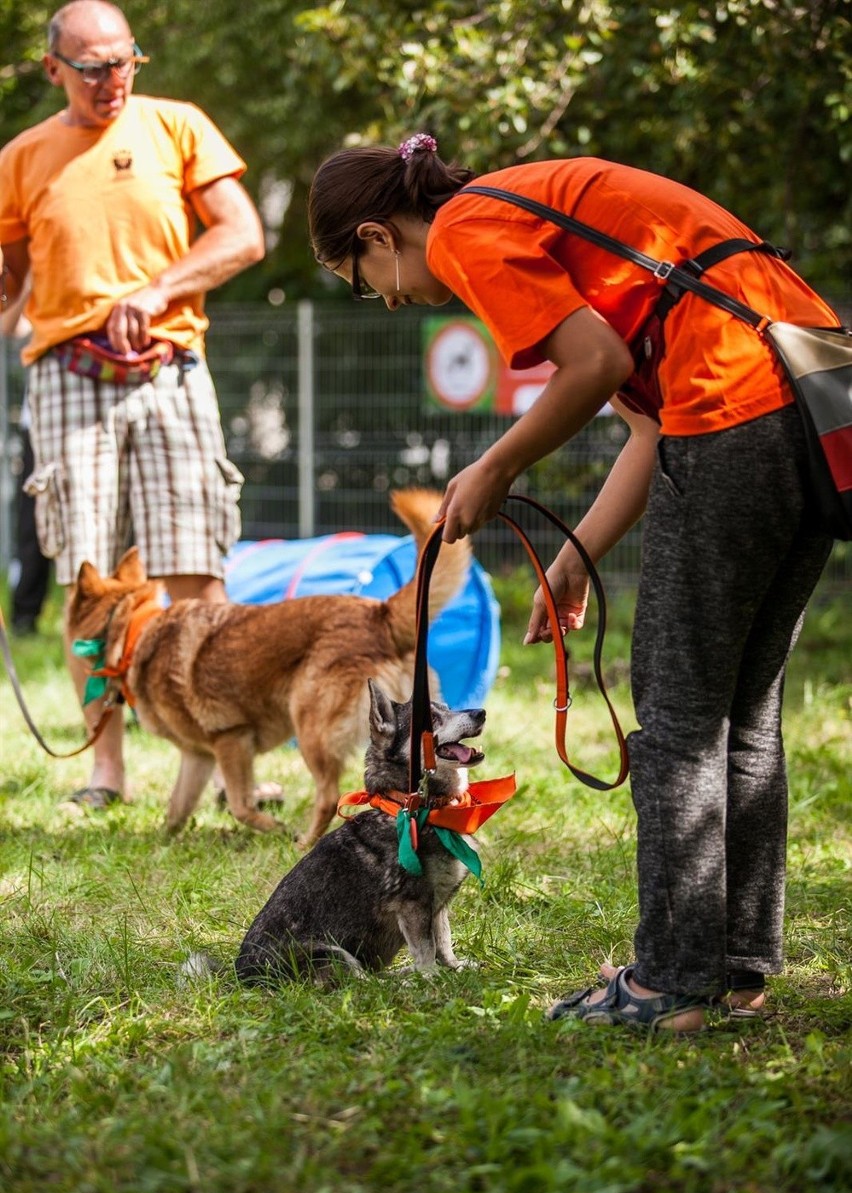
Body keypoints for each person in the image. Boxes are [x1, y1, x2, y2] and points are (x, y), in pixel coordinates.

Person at [308, 133, 838, 1032]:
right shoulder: (529, 205)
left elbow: (596, 368)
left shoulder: (464, 229)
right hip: (806, 407)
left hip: (734, 414)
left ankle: (669, 981)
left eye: (366, 280)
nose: (389, 300)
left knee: (675, 716)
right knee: (741, 713)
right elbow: (644, 423)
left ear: (377, 234)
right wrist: (575, 556)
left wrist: (495, 467)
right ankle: (735, 967)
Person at [0, 0, 265, 810]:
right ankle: (105, 770)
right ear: (54, 70)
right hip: (65, 377)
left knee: (195, 569)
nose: (112, 79)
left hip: (171, 372)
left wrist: (157, 292)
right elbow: (10, 283)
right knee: (86, 579)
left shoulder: (178, 126)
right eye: (92, 67)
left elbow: (242, 235)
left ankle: (233, 772)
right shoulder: (21, 157)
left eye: (124, 62)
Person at [1, 280, 52, 636]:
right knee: (31, 523)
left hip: (86, 420)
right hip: (40, 424)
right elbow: (9, 324)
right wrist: (29, 279)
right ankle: (24, 617)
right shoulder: (40, 298)